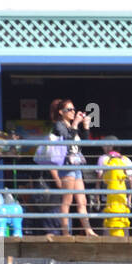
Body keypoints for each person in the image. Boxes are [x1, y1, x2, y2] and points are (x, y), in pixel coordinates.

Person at [49, 97, 97, 237]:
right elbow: (68, 144)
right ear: (61, 112)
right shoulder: (59, 126)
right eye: (69, 110)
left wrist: (86, 127)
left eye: (73, 109)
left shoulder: (70, 127)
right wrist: (76, 124)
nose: (72, 112)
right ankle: (65, 232)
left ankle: (88, 230)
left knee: (82, 200)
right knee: (67, 200)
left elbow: (83, 145)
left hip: (76, 165)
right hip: (66, 165)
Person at [97, 136, 132, 238]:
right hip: (123, 197)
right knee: (124, 221)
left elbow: (99, 179)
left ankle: (106, 245)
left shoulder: (103, 159)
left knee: (108, 221)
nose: (102, 147)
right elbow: (130, 181)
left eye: (104, 145)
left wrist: (97, 196)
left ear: (110, 146)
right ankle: (126, 243)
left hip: (107, 196)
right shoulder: (126, 160)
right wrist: (129, 198)